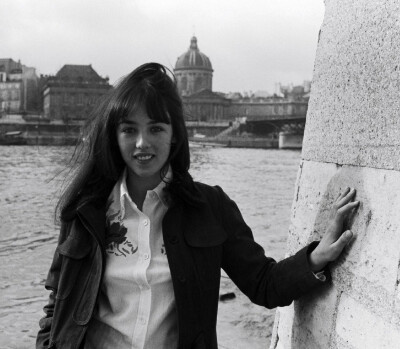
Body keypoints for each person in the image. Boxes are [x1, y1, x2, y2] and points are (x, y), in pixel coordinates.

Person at [36, 63, 359, 349]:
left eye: (156, 128)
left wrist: (316, 257)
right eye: (129, 129)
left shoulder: (210, 206)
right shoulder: (87, 209)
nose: (142, 143)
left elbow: (264, 285)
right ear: (114, 136)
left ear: (175, 135)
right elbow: (58, 303)